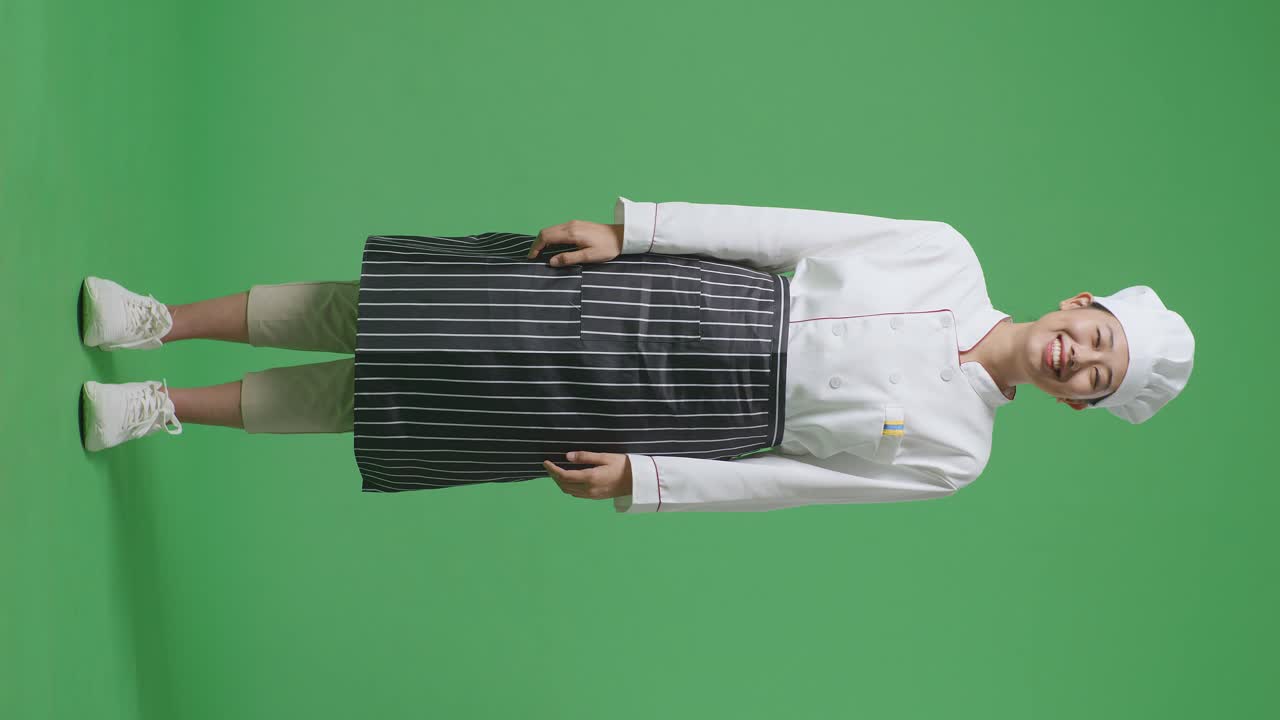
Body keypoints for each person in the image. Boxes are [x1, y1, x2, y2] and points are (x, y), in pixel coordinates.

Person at [78, 196, 1195, 513]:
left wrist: (648, 480)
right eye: (1095, 337)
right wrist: (638, 231)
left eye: (1096, 379)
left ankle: (162, 407)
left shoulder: (956, 455)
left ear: (1077, 404)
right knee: (394, 308)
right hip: (678, 298)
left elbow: (790, 482)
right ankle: (157, 320)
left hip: (682, 416)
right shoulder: (944, 254)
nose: (1079, 358)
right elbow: (784, 232)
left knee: (398, 405)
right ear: (1079, 302)